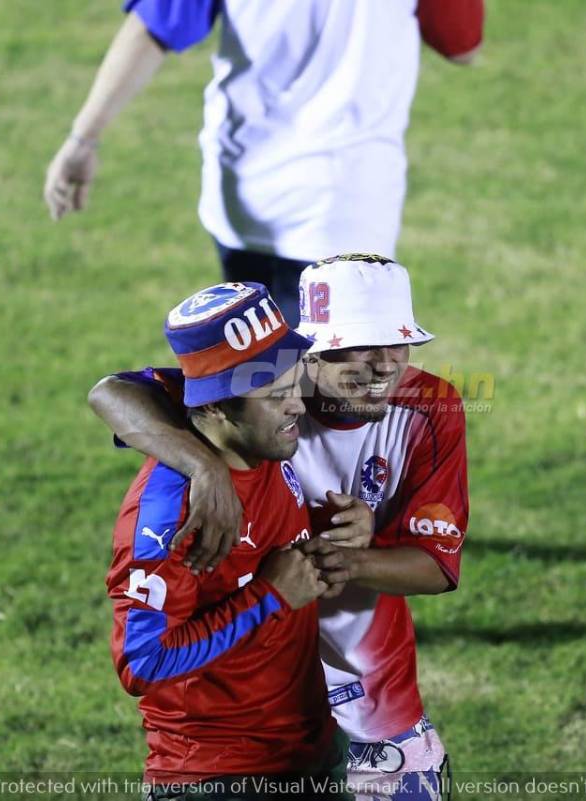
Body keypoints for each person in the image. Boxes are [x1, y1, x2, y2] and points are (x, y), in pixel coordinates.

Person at [91, 255, 468, 801]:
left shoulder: (274, 429)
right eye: (361, 347)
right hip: (222, 765)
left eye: (399, 345)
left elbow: (434, 562)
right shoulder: (200, 475)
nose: (385, 367)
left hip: (319, 734)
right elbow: (109, 392)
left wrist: (351, 535)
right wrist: (205, 469)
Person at [43, 0, 484, 324]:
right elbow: (462, 45)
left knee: (252, 396)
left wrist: (84, 138)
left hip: (239, 191)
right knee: (329, 416)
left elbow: (154, 27)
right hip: (344, 207)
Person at [106, 281, 361, 799]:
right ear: (216, 408)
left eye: (295, 381)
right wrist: (269, 597)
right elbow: (143, 661)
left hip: (310, 748)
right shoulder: (169, 516)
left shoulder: (257, 444)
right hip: (219, 776)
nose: (297, 405)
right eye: (273, 393)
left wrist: (331, 528)